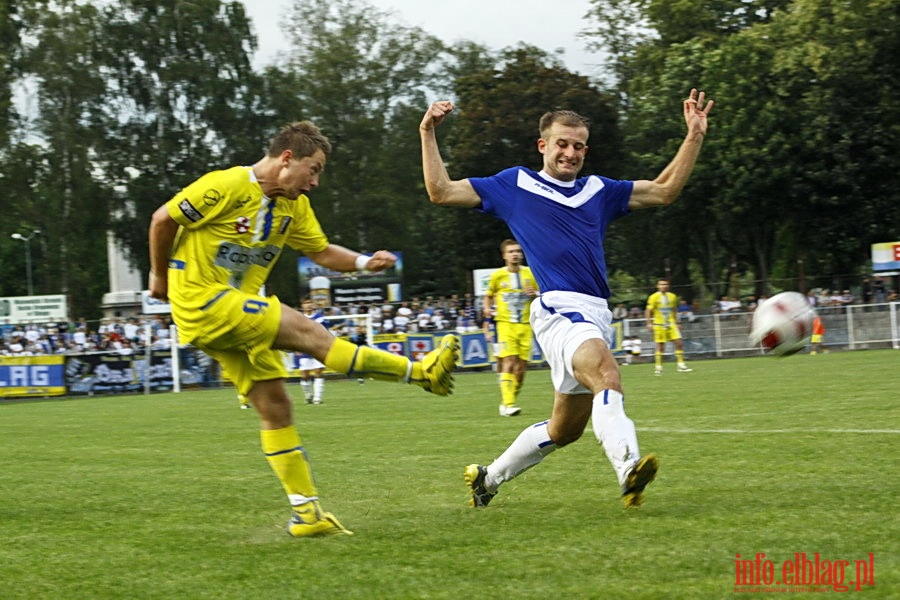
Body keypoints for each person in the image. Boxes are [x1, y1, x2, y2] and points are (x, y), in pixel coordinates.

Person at [148, 120, 459, 538]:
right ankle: (421, 373)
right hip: (203, 301)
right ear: (287, 158)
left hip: (231, 313)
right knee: (312, 334)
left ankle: (306, 514)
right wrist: (159, 278)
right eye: (313, 170)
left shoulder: (293, 206)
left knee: (276, 406)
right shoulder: (224, 186)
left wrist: (366, 262)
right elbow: (161, 220)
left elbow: (320, 251)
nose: (314, 182)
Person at [419, 88, 713, 509]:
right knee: (607, 376)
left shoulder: (599, 190)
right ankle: (628, 466)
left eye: (578, 146)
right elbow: (441, 191)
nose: (570, 153)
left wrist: (694, 136)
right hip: (559, 309)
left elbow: (664, 191)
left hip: (594, 314)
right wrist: (428, 131)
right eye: (562, 144)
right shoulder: (513, 184)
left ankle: (487, 479)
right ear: (543, 145)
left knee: (564, 429)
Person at [483, 239, 539, 416]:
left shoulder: (531, 274)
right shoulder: (497, 276)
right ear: (504, 255)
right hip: (505, 325)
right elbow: (489, 295)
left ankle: (508, 400)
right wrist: (486, 309)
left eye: (518, 251)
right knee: (508, 361)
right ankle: (508, 404)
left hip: (525, 325)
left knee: (521, 370)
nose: (515, 254)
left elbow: (544, 294)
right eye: (511, 252)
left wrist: (535, 294)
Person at [645, 278, 693, 375]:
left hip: (671, 324)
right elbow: (648, 311)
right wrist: (649, 323)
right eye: (661, 284)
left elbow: (674, 309)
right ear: (658, 286)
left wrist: (677, 322)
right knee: (661, 346)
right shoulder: (653, 297)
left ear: (668, 286)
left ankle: (681, 365)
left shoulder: (672, 296)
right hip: (659, 324)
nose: (664, 286)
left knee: (679, 342)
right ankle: (658, 367)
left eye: (665, 284)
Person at [296, 297, 327, 404]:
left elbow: (326, 333)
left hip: (318, 348)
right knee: (304, 375)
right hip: (305, 349)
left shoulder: (320, 319)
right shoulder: (299, 319)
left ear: (313, 304)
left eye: (310, 302)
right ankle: (308, 395)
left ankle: (317, 398)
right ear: (302, 306)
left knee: (318, 372)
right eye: (306, 303)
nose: (308, 305)